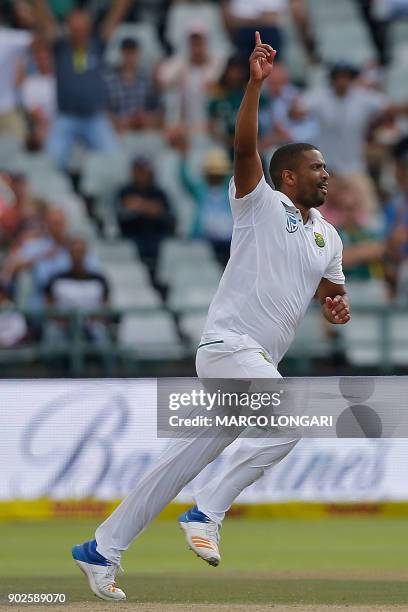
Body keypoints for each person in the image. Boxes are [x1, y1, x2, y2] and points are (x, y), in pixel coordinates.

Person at [72, 32, 350, 601]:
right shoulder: (259, 203)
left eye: (328, 168)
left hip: (255, 360)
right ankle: (206, 511)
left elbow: (326, 286)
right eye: (316, 168)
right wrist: (253, 86)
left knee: (175, 464)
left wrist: (335, 302)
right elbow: (245, 147)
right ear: (287, 177)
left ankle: (102, 548)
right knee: (290, 418)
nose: (327, 174)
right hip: (229, 347)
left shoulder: (330, 235)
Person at [34, 1, 130, 170]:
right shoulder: (60, 47)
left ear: (89, 28)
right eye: (75, 28)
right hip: (65, 117)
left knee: (115, 161)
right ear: (68, 28)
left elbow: (115, 17)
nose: (79, 32)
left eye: (83, 28)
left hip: (94, 117)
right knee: (48, 163)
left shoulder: (97, 45)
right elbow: (45, 20)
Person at [116, 157, 175, 272]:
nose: (141, 174)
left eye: (143, 170)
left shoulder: (158, 192)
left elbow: (167, 217)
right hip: (131, 237)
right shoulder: (124, 190)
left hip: (156, 237)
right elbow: (121, 217)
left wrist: (139, 206)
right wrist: (150, 207)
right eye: (138, 170)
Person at [105, 37, 163, 134]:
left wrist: (144, 118)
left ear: (138, 53)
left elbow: (158, 111)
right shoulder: (110, 82)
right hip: (119, 132)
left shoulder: (147, 81)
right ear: (122, 53)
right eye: (127, 52)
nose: (129, 57)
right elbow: (104, 113)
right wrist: (123, 121)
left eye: (132, 52)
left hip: (143, 131)